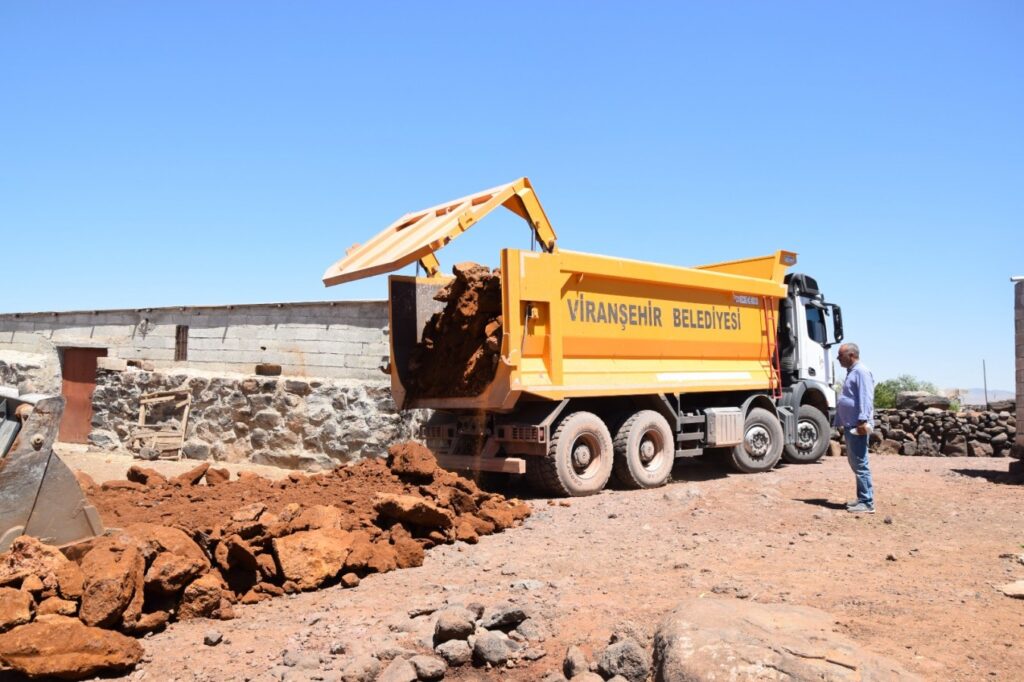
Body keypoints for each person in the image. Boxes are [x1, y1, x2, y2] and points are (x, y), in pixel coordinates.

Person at [835, 343, 875, 513]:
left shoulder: (861, 372)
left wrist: (862, 420)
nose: (838, 359)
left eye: (840, 355)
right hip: (851, 424)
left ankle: (867, 502)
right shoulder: (853, 372)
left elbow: (866, 397)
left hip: (857, 424)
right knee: (855, 462)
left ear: (851, 355)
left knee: (860, 462)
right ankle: (862, 498)